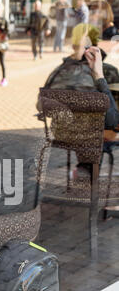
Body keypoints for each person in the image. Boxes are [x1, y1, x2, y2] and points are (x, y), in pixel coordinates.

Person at [39, 23, 119, 178]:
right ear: (96, 45)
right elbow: (113, 120)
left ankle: (84, 169)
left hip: (61, 134)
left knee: (91, 125)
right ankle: (87, 171)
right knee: (102, 124)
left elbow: (41, 105)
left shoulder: (58, 71)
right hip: (94, 137)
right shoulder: (108, 72)